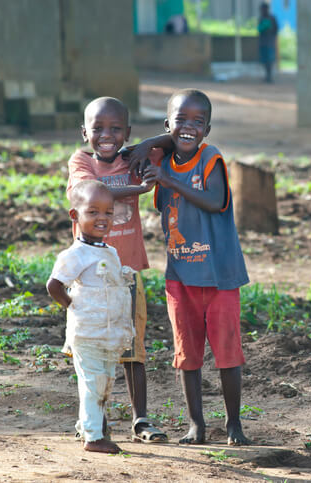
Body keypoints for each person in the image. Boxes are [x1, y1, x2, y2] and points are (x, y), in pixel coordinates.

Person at [141, 89, 251, 446]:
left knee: (227, 352)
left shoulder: (210, 159)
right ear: (167, 125)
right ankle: (196, 426)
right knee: (186, 354)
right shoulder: (160, 163)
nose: (188, 128)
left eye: (197, 122)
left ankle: (234, 424)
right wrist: (158, 158)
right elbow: (133, 160)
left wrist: (169, 179)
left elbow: (215, 200)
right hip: (181, 276)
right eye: (180, 120)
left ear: (208, 129)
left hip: (219, 276)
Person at [67, 97, 168, 444]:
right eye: (98, 128)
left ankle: (140, 419)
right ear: (84, 133)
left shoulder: (133, 157)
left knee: (133, 346)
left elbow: (178, 136)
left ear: (127, 132)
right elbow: (93, 193)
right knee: (92, 349)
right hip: (89, 277)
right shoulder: (81, 161)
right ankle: (94, 420)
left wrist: (146, 145)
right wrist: (140, 187)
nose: (106, 135)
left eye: (116, 129)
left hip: (127, 272)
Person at [46, 180, 136, 454]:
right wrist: (73, 306)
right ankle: (93, 437)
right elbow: (54, 285)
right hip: (87, 332)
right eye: (93, 212)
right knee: (94, 382)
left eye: (108, 213)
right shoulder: (75, 254)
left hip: (108, 334)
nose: (102, 218)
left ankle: (87, 427)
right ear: (75, 216)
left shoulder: (110, 252)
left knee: (103, 382)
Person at [257, 2, 279, 83]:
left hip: (270, 43)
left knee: (270, 60)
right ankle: (267, 75)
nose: (262, 11)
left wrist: (269, 30)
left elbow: (276, 30)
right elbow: (259, 30)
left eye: (263, 9)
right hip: (263, 43)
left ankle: (269, 76)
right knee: (264, 60)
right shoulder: (261, 18)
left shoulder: (272, 18)